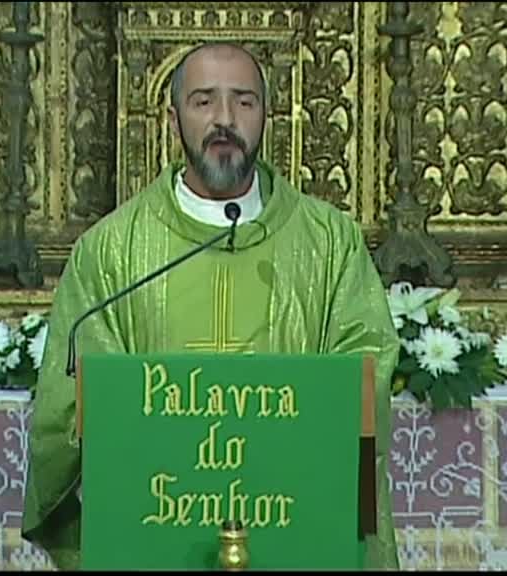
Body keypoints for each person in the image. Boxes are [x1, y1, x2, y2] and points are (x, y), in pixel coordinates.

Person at [22, 42, 400, 569]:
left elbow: (365, 373)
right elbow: (77, 404)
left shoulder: (329, 243)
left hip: (296, 529)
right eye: (204, 101)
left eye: (244, 102)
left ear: (267, 115)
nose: (225, 120)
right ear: (173, 119)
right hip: (155, 529)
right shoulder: (112, 251)